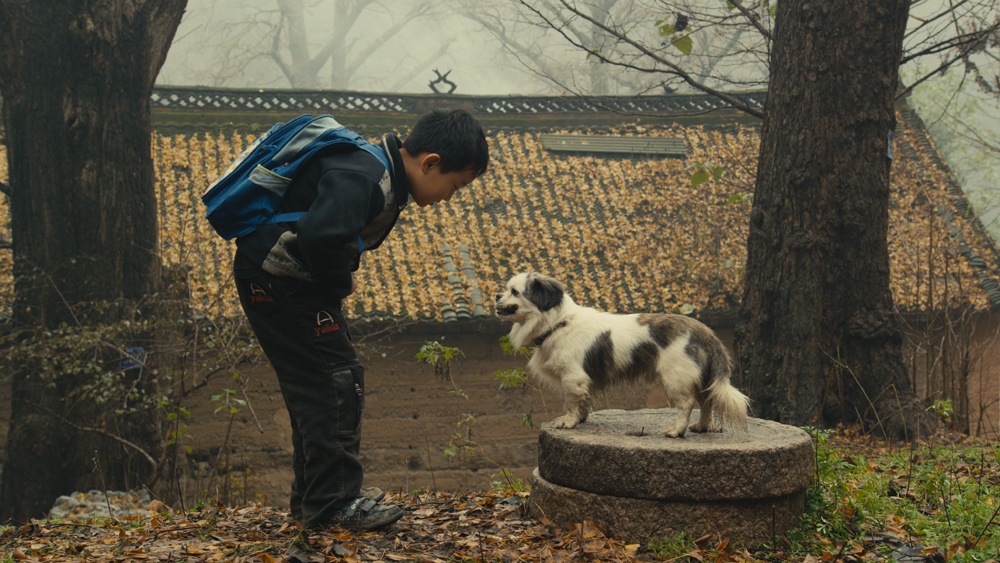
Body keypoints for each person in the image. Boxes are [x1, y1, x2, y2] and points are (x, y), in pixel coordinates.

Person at [232, 108, 490, 531]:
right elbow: (322, 236)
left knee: (316, 385)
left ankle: (313, 500)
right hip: (282, 279)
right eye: (455, 185)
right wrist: (341, 282)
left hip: (272, 274)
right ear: (430, 163)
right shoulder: (368, 175)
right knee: (337, 383)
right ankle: (333, 504)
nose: (449, 197)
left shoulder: (371, 166)